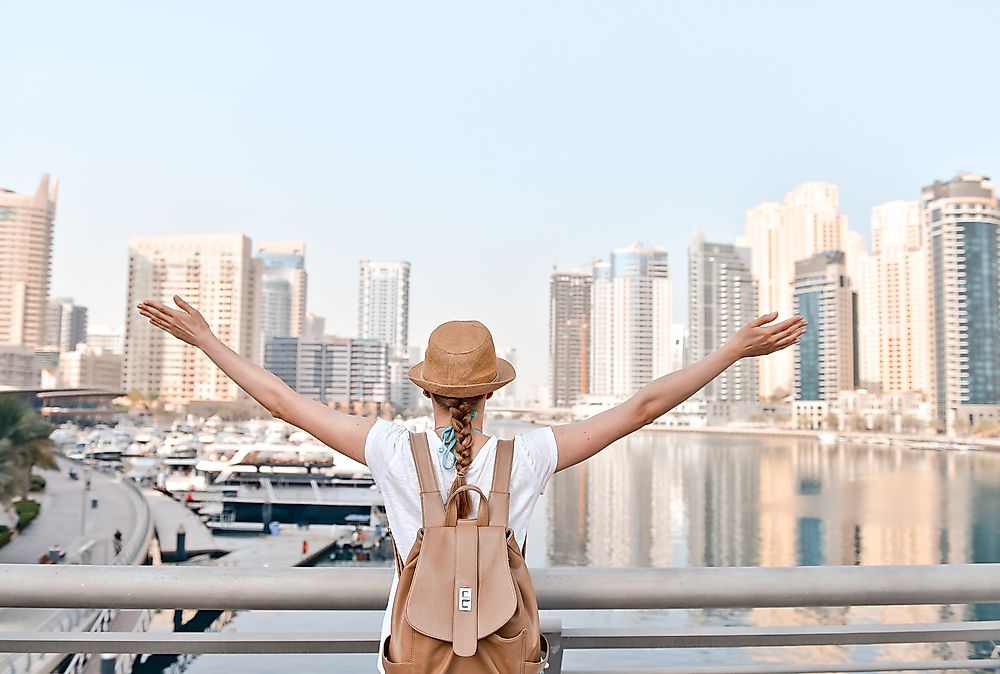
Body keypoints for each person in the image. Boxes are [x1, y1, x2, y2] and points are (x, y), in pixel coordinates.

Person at [138, 295, 805, 671]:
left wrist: (205, 340)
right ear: (491, 392)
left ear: (426, 387)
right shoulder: (532, 455)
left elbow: (282, 403)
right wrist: (731, 351)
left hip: (418, 657)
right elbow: (641, 409)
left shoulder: (391, 451)